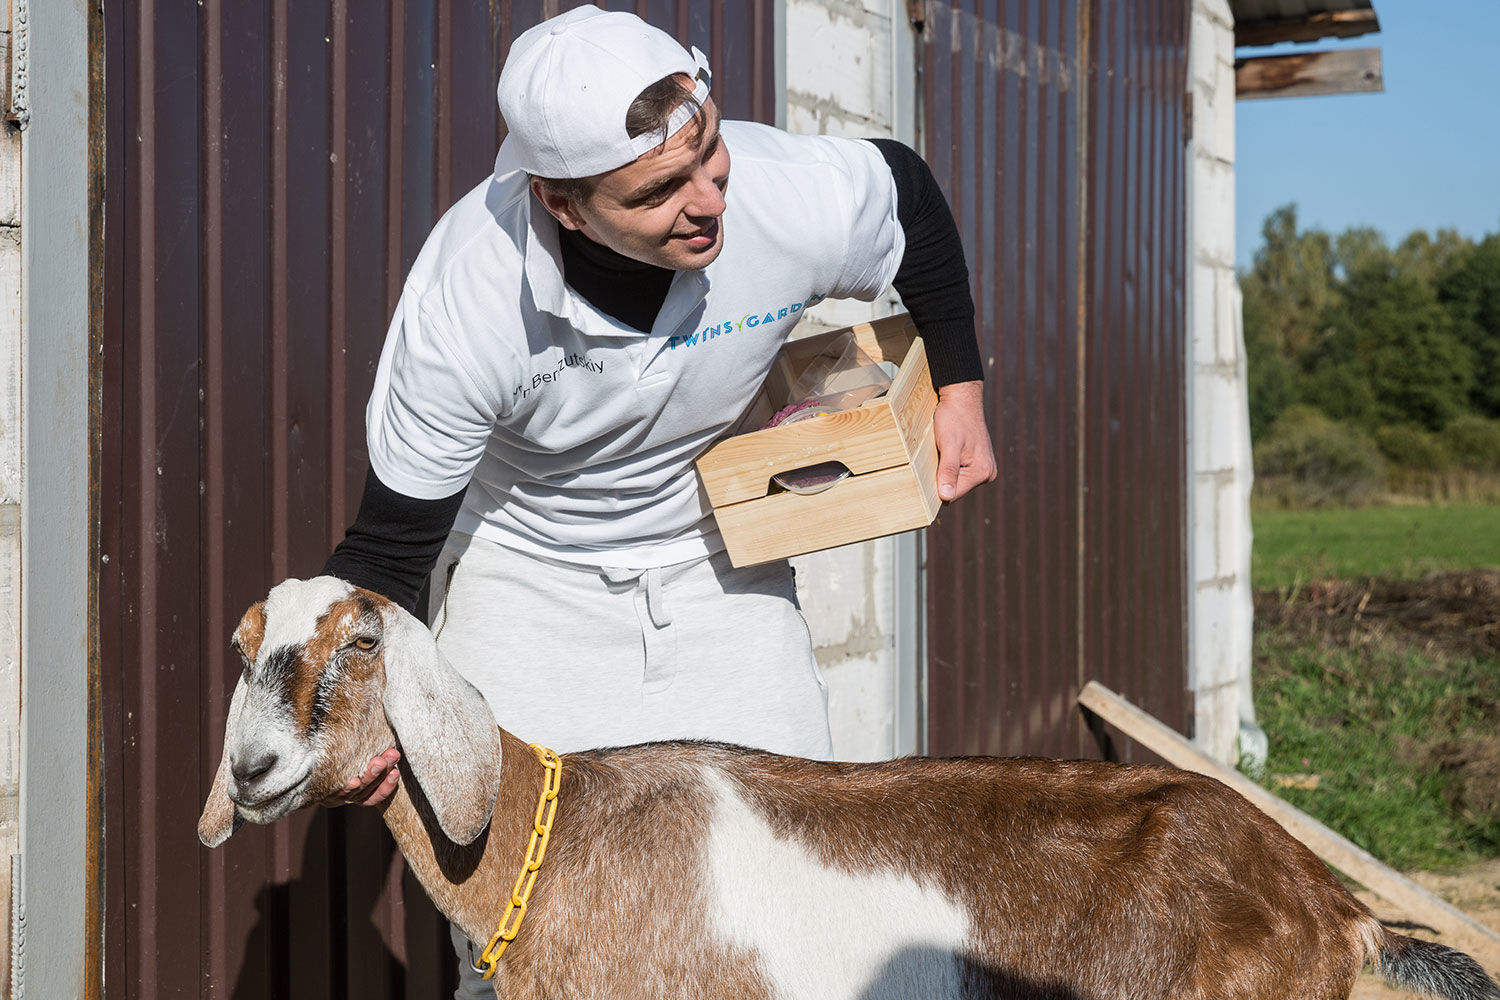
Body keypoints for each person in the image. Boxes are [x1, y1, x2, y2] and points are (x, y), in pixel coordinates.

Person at [315, 6, 995, 994]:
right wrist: (349, 704)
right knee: (523, 931)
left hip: (716, 559)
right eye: (660, 190)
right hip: (529, 572)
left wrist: (964, 391)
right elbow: (385, 550)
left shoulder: (773, 193)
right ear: (561, 201)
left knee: (794, 886)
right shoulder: (469, 298)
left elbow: (908, 198)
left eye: (707, 155)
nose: (708, 198)